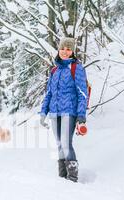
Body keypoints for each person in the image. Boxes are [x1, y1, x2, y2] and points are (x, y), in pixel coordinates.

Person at [39, 37, 88, 183]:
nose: (65, 52)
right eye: (63, 48)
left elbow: (82, 93)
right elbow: (49, 94)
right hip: (54, 112)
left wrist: (81, 116)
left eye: (68, 49)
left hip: (69, 111)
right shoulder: (54, 70)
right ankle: (62, 177)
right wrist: (43, 113)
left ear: (72, 51)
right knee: (59, 143)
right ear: (58, 49)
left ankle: (72, 177)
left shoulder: (76, 68)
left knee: (66, 143)